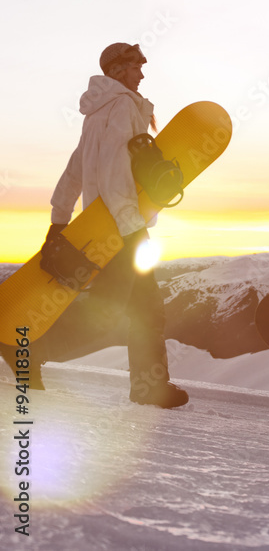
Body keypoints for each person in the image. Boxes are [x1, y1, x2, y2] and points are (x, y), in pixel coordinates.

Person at [0, 43, 187, 407]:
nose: (142, 74)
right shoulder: (121, 106)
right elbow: (116, 171)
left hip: (108, 225)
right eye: (135, 67)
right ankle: (25, 350)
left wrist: (59, 218)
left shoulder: (97, 112)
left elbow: (76, 169)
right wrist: (132, 228)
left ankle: (148, 386)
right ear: (118, 71)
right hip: (121, 227)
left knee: (140, 307)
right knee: (118, 311)